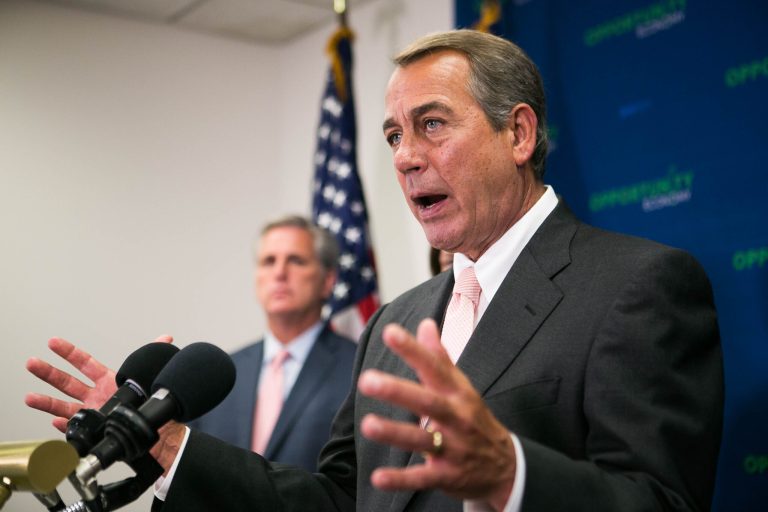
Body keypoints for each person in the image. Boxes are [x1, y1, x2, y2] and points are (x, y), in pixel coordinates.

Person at [27, 30, 723, 512]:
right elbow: (337, 501)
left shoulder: (638, 285)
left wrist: (512, 476)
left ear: (518, 133)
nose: (405, 157)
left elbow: (661, 502)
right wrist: (168, 445)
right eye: (394, 135)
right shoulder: (399, 319)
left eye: (432, 124)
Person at [26, 214, 357, 472]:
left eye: (296, 260)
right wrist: (136, 426)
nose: (279, 273)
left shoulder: (358, 368)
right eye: (269, 261)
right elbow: (188, 469)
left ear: (328, 280)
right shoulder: (214, 374)